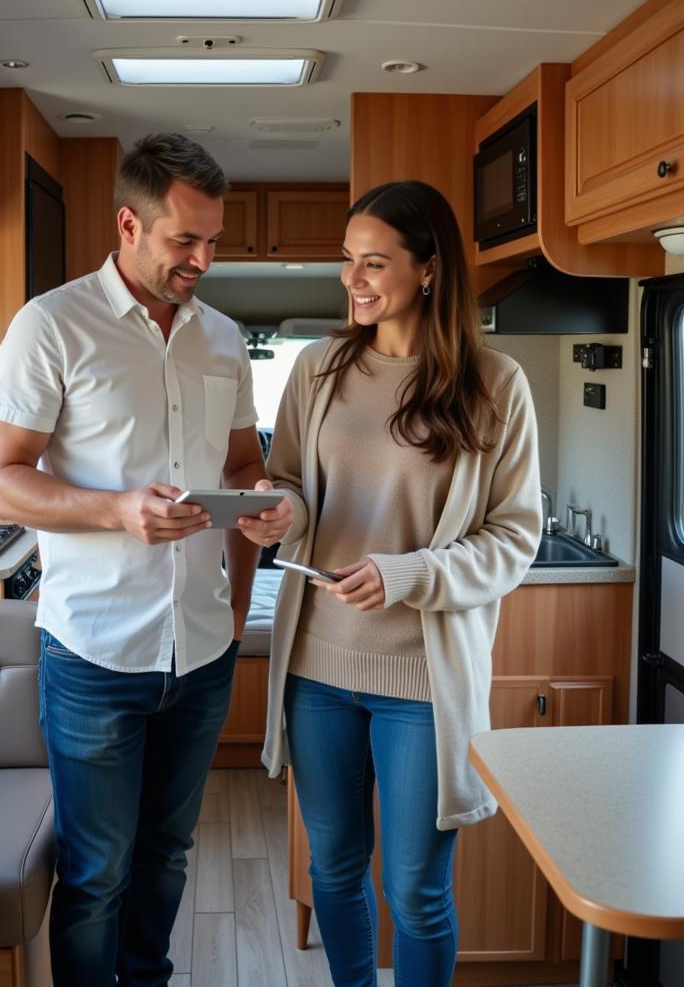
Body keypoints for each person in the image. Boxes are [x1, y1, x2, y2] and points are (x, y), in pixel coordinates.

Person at [0, 132, 293, 987]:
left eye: (213, 241)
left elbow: (240, 467)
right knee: (95, 875)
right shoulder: (50, 324)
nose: (202, 258)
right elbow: (1, 485)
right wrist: (116, 510)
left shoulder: (223, 338)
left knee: (167, 857)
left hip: (200, 649)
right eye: (183, 240)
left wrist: (258, 522)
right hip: (91, 652)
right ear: (129, 222)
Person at [246, 180, 541, 987]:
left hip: (423, 682)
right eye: (347, 261)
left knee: (415, 890)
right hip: (317, 668)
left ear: (430, 269)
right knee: (334, 872)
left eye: (374, 263)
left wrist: (407, 574)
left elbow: (515, 539)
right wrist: (279, 514)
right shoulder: (318, 369)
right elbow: (293, 485)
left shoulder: (496, 385)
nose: (353, 280)